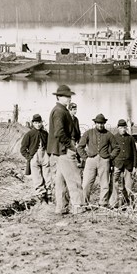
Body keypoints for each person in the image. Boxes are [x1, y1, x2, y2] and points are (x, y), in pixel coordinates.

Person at [47, 84, 84, 215]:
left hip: (58, 150)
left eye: (69, 96)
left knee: (61, 180)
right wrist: (71, 146)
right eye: (66, 96)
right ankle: (78, 206)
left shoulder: (59, 110)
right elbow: (59, 132)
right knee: (74, 178)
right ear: (58, 97)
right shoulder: (60, 111)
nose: (69, 98)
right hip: (64, 150)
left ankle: (61, 207)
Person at [78, 114, 119, 208]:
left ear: (104, 123)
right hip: (90, 160)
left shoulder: (108, 134)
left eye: (102, 123)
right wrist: (85, 158)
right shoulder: (88, 133)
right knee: (86, 183)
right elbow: (80, 147)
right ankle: (84, 203)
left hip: (104, 161)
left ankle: (103, 203)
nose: (100, 125)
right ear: (95, 123)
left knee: (104, 183)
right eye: (98, 123)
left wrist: (110, 157)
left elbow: (116, 148)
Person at [20, 114, 51, 203]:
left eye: (39, 122)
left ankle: (49, 194)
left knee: (48, 175)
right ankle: (41, 195)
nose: (38, 125)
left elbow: (49, 144)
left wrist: (48, 154)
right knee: (37, 177)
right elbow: (23, 148)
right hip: (34, 156)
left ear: (42, 123)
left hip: (44, 154)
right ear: (33, 123)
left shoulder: (45, 133)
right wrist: (29, 157)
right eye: (36, 123)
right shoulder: (29, 134)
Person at [109, 119, 137, 209]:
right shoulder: (114, 138)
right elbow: (111, 152)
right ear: (118, 128)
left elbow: (134, 152)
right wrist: (111, 164)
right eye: (121, 127)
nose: (123, 129)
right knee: (114, 183)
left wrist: (134, 166)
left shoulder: (130, 138)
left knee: (128, 184)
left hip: (128, 165)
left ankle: (128, 202)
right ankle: (114, 203)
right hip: (117, 164)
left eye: (124, 127)